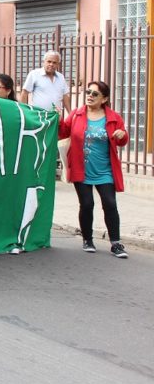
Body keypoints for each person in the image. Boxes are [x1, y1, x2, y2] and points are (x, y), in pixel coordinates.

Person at [59, 81, 129, 258]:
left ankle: (116, 243)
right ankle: (88, 239)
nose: (89, 96)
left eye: (95, 94)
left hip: (105, 170)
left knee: (110, 204)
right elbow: (63, 132)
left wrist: (123, 134)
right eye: (88, 92)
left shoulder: (113, 117)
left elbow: (121, 139)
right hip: (81, 169)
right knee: (87, 204)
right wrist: (57, 118)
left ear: (104, 98)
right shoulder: (77, 114)